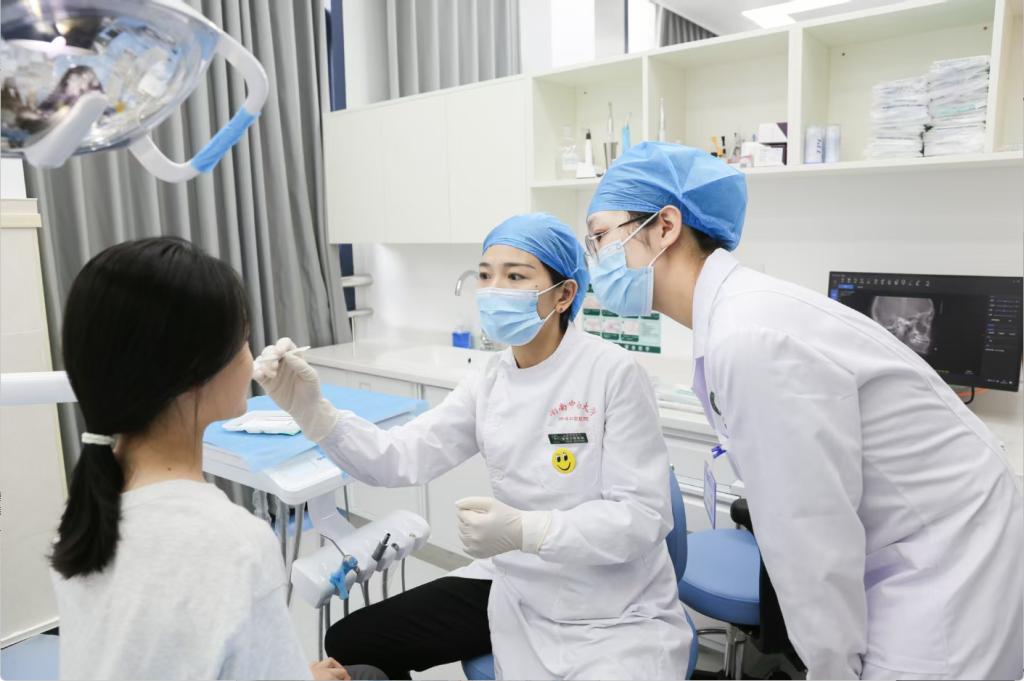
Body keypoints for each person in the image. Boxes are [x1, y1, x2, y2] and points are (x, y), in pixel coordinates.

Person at [584, 141, 1024, 680]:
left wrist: (830, 667)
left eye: (600, 237)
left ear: (666, 227)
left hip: (948, 561)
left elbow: (809, 536)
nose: (594, 259)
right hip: (911, 546)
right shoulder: (739, 317)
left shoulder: (750, 336)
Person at [254, 213, 691, 680]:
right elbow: (402, 457)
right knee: (352, 641)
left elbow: (642, 517)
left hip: (608, 597)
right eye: (485, 275)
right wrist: (314, 414)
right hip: (517, 580)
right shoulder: (488, 379)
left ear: (564, 294)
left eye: (515, 277)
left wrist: (526, 530)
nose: (494, 289)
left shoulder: (613, 373)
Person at [50, 237, 375, 681]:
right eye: (243, 340)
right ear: (197, 370)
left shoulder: (85, 517)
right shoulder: (235, 543)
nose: (251, 356)